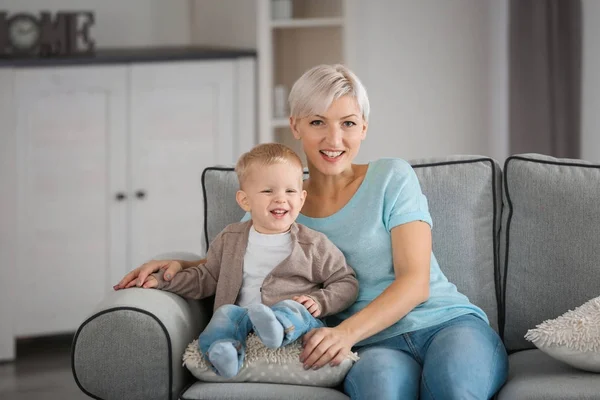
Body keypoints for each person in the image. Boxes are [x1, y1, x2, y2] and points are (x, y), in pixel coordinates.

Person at [115, 65, 508, 398]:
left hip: (444, 324)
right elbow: (241, 257)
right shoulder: (283, 200)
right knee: (380, 391)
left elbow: (415, 283)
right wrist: (179, 265)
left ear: (364, 128)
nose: (333, 139)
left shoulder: (392, 177)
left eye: (348, 124)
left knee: (454, 387)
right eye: (318, 122)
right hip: (373, 346)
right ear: (296, 126)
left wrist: (344, 334)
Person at [121, 143, 358, 378]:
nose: (280, 199)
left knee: (292, 308)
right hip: (243, 321)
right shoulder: (230, 238)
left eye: (290, 191)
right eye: (268, 191)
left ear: (302, 198)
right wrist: (164, 281)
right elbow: (207, 277)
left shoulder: (313, 244)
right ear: (245, 201)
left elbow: (346, 282)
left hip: (297, 325)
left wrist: (320, 301)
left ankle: (277, 326)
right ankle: (223, 350)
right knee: (225, 314)